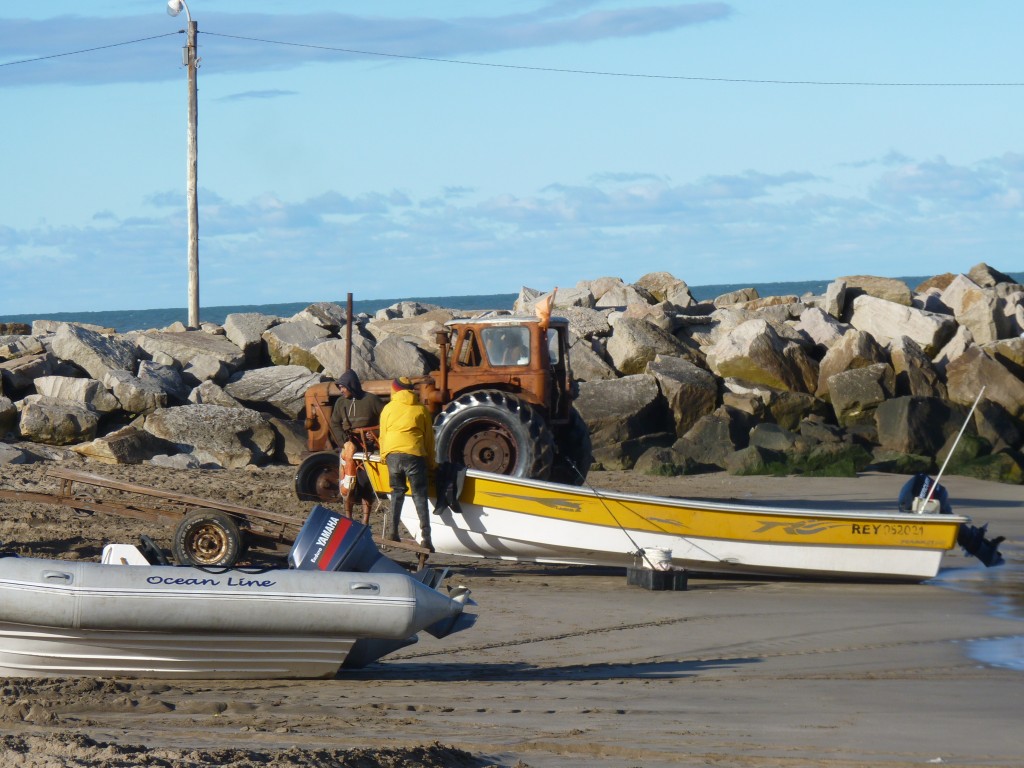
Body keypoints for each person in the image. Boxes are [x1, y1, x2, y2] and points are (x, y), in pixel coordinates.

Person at [378, 376, 436, 551]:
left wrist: (383, 456)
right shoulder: (421, 409)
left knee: (397, 492)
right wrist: (431, 463)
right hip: (414, 454)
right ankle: (426, 538)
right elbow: (429, 440)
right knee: (419, 495)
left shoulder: (388, 409)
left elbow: (383, 435)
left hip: (393, 455)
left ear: (395, 390)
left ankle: (392, 532)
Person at [330, 370, 384, 524]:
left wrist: (374, 432)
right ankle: (348, 519)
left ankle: (365, 521)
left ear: (351, 386)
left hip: (368, 448)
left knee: (366, 484)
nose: (341, 390)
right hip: (349, 449)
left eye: (343, 387)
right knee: (348, 484)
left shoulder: (371, 400)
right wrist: (343, 442)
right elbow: (335, 423)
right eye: (340, 387)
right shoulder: (341, 403)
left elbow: (387, 419)